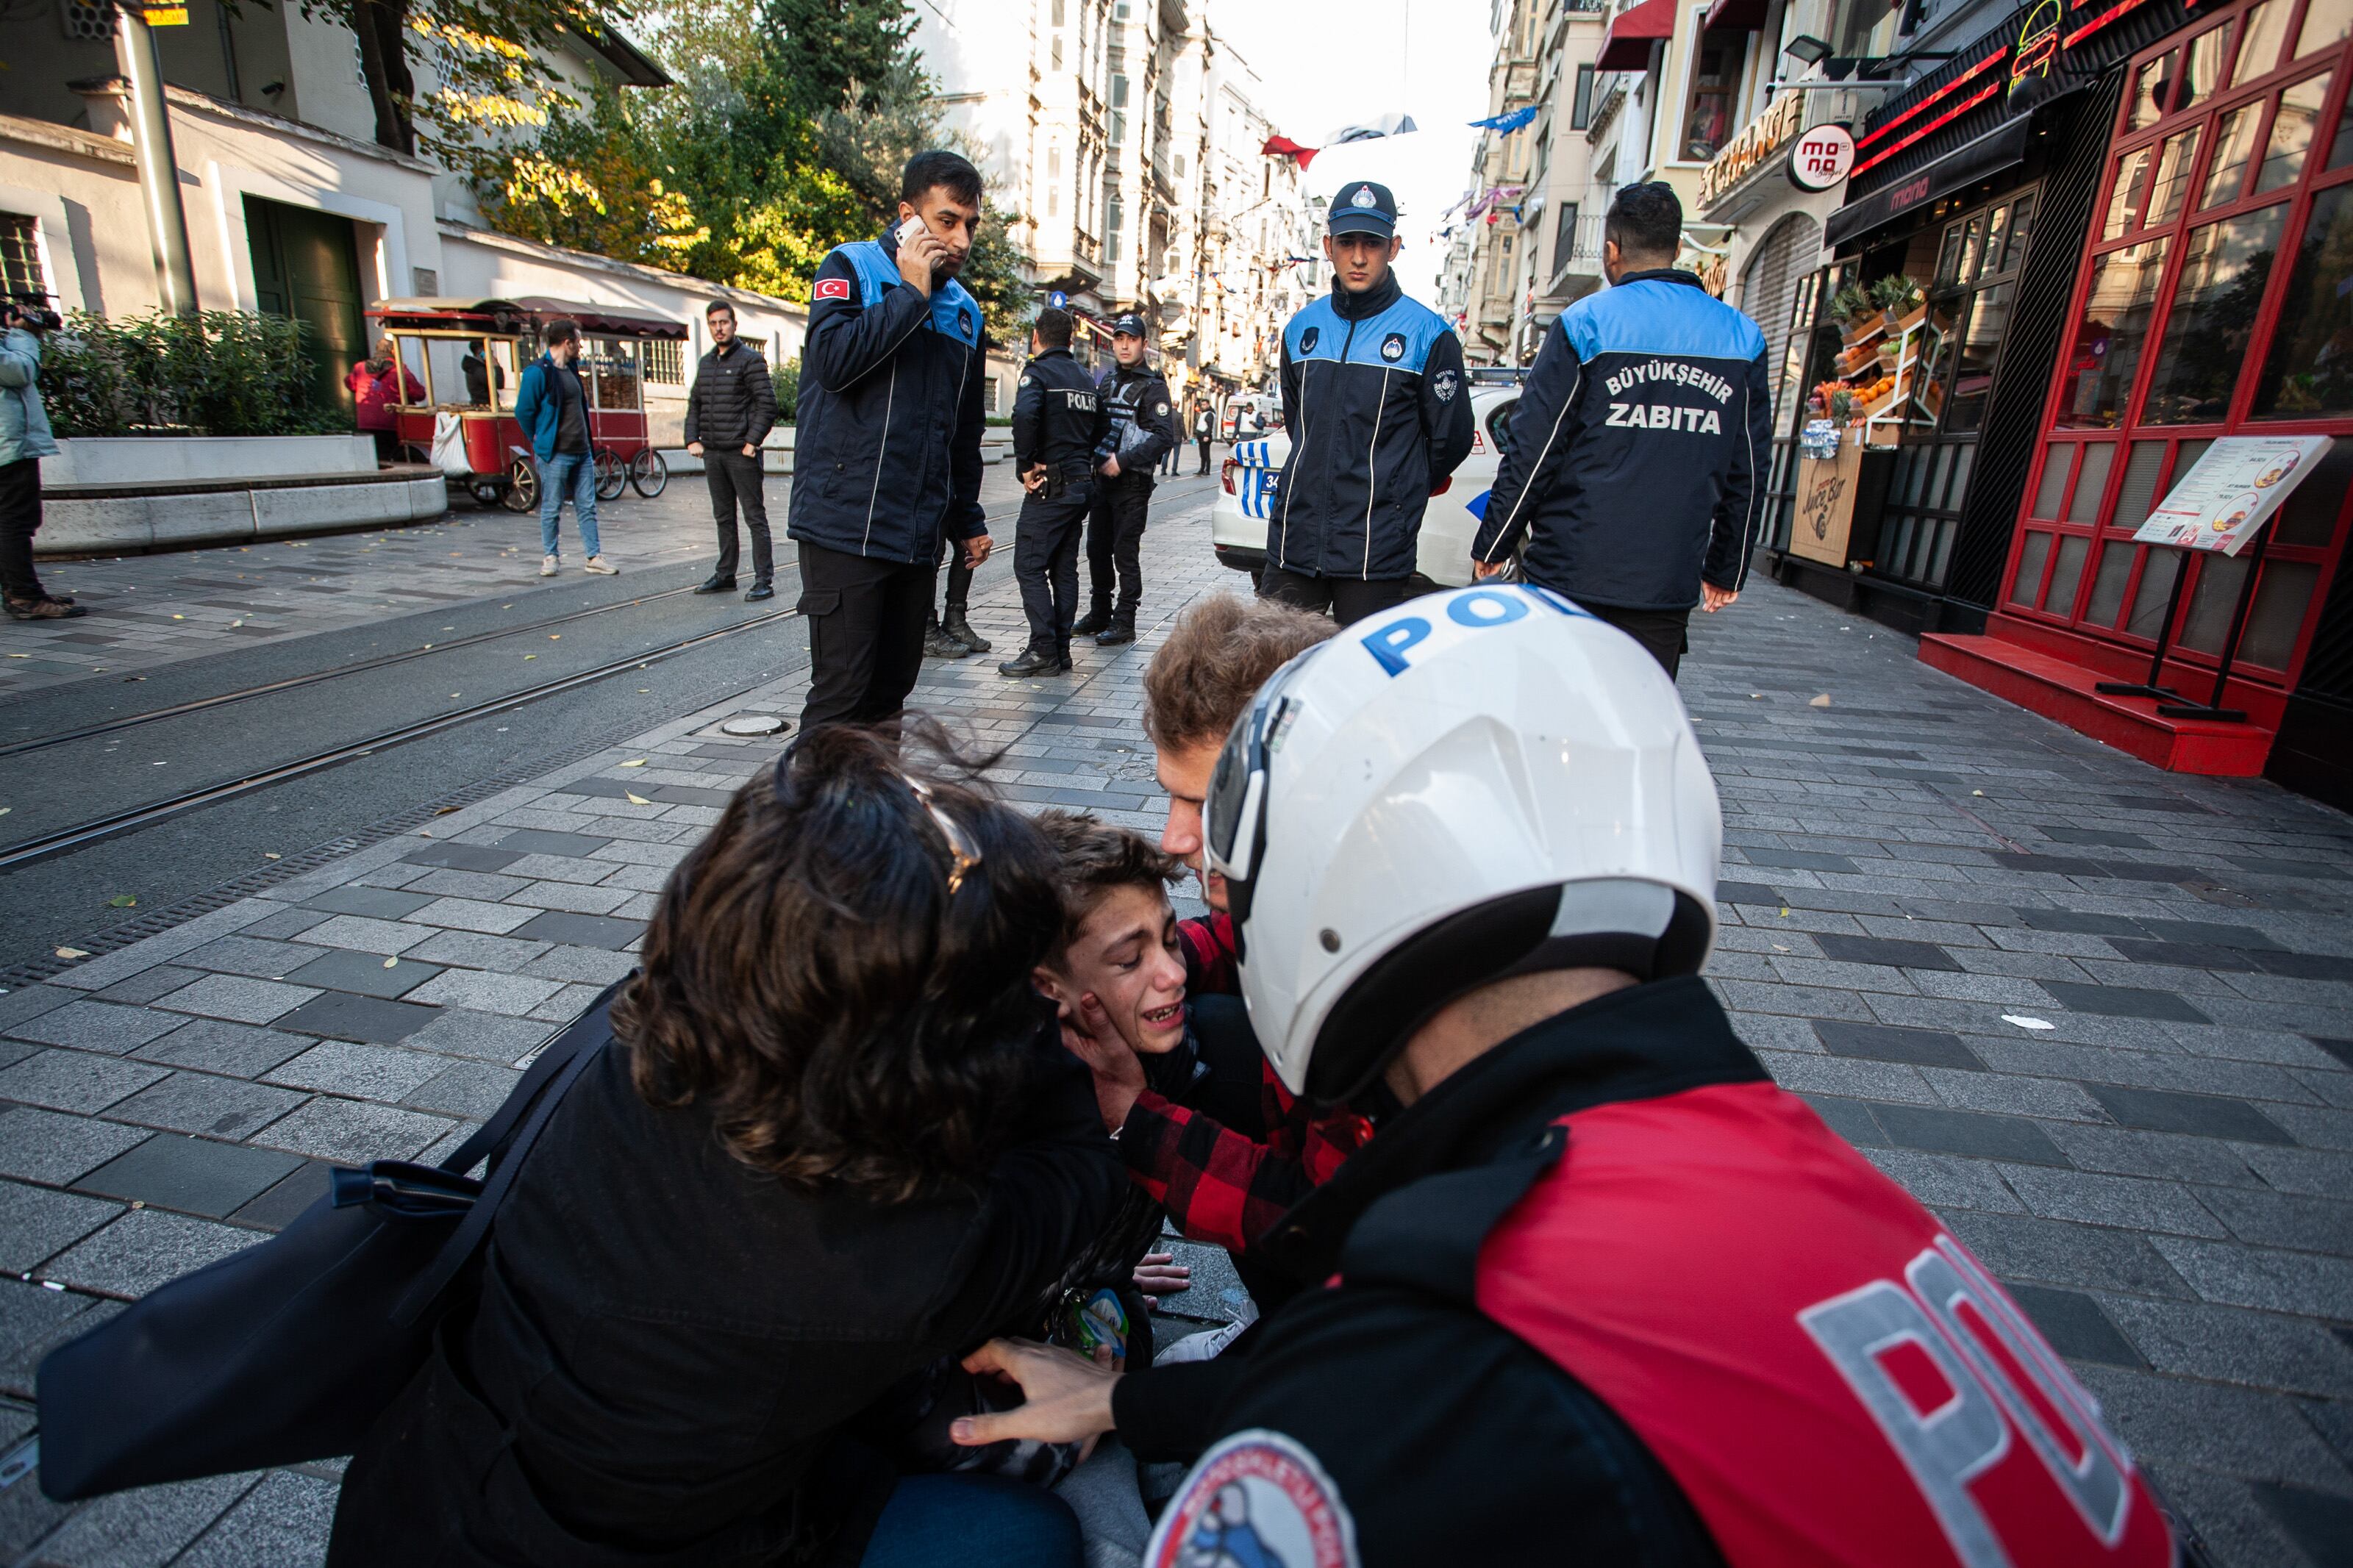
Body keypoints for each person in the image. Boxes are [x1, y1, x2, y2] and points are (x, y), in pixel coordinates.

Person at [949, 587, 2179, 1568]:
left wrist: (1131, 1395)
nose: (1191, 866)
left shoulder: (1433, 1358)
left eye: (1221, 842)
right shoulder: (1802, 1157)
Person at [328, 722, 1126, 1568]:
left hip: (433, 1480)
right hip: (615, 1544)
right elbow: (1074, 1178)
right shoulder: (898, 1266)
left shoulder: (654, 1035)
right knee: (1022, 1540)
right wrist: (1042, 1018)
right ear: (933, 1057)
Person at [1470, 181, 1771, 677]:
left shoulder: (1585, 323)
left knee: (1556, 714)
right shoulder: (1739, 337)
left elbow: (1535, 449)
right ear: (1676, 249)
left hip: (1569, 570)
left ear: (1612, 251)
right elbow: (1750, 465)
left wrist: (1495, 541)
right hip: (1664, 579)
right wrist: (1727, 566)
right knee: (1639, 719)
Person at [789, 149, 993, 732]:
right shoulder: (851, 267)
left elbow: (962, 430)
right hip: (845, 525)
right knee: (841, 696)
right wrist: (911, 292)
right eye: (946, 220)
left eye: (970, 225)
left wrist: (967, 518)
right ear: (908, 216)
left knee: (888, 700)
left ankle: (874, 821)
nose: (960, 239)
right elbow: (832, 363)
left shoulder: (967, 314)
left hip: (915, 536)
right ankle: (805, 823)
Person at [1260, 182, 1474, 626]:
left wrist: (1396, 496)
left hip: (1375, 551)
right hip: (1294, 543)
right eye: (1347, 243)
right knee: (1270, 673)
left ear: (1394, 247)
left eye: (1372, 244)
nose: (1359, 257)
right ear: (1328, 246)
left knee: (1361, 685)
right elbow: (1299, 424)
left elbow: (1449, 442)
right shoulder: (1302, 328)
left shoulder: (1428, 334)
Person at [999, 308, 1105, 678]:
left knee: (1028, 565)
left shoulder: (1038, 373)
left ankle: (1043, 650)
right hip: (1080, 484)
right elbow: (1102, 426)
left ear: (1036, 337)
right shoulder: (1085, 378)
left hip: (1051, 486)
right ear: (1071, 340)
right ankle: (1060, 651)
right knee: (1064, 569)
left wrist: (1026, 465)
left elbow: (1025, 416)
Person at [1071, 314, 1176, 648]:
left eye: (1132, 339)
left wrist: (1123, 460)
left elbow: (1164, 437)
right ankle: (1099, 612)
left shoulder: (1154, 387)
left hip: (1132, 487)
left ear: (1145, 344)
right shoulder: (1107, 381)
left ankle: (1125, 620)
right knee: (1096, 550)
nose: (1125, 345)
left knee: (1124, 554)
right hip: (1102, 484)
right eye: (1119, 339)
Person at [685, 301, 779, 603]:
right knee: (723, 516)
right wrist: (691, 439)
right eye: (713, 323)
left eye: (724, 322)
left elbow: (768, 404)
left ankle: (764, 580)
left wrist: (752, 442)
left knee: (754, 517)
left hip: (741, 453)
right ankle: (726, 574)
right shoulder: (706, 362)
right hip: (713, 452)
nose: (719, 328)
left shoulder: (750, 360)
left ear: (734, 325)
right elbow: (695, 403)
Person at [513, 318, 619, 578]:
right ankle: (551, 557)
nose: (581, 347)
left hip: (581, 451)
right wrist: (538, 439)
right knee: (551, 506)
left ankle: (593, 556)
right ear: (567, 342)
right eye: (579, 342)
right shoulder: (538, 372)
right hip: (556, 453)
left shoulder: (571, 369)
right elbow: (524, 411)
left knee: (587, 505)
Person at [0, 297, 81, 621]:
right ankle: (25, 597)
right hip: (7, 443)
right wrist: (24, 334)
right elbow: (19, 371)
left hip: (9, 441)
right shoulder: (16, 339)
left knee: (9, 521)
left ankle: (19, 591)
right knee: (15, 521)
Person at [346, 335, 424, 463]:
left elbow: (350, 384)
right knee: (390, 457)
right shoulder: (399, 370)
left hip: (365, 421)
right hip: (391, 422)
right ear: (393, 351)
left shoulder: (359, 368)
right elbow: (419, 394)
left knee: (371, 457)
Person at [460, 340, 503, 406]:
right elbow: (499, 383)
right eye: (489, 350)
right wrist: (496, 365)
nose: (492, 352)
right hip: (484, 404)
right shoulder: (477, 369)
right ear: (480, 352)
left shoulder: (474, 367)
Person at [1193, 401, 1213, 475]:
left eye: (1204, 405)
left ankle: (1207, 470)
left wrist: (1207, 436)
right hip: (1200, 436)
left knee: (1206, 454)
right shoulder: (1202, 413)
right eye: (1202, 405)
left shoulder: (1209, 414)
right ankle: (1202, 469)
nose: (1203, 406)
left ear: (1208, 405)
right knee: (1202, 454)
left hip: (1205, 436)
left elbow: (1210, 426)